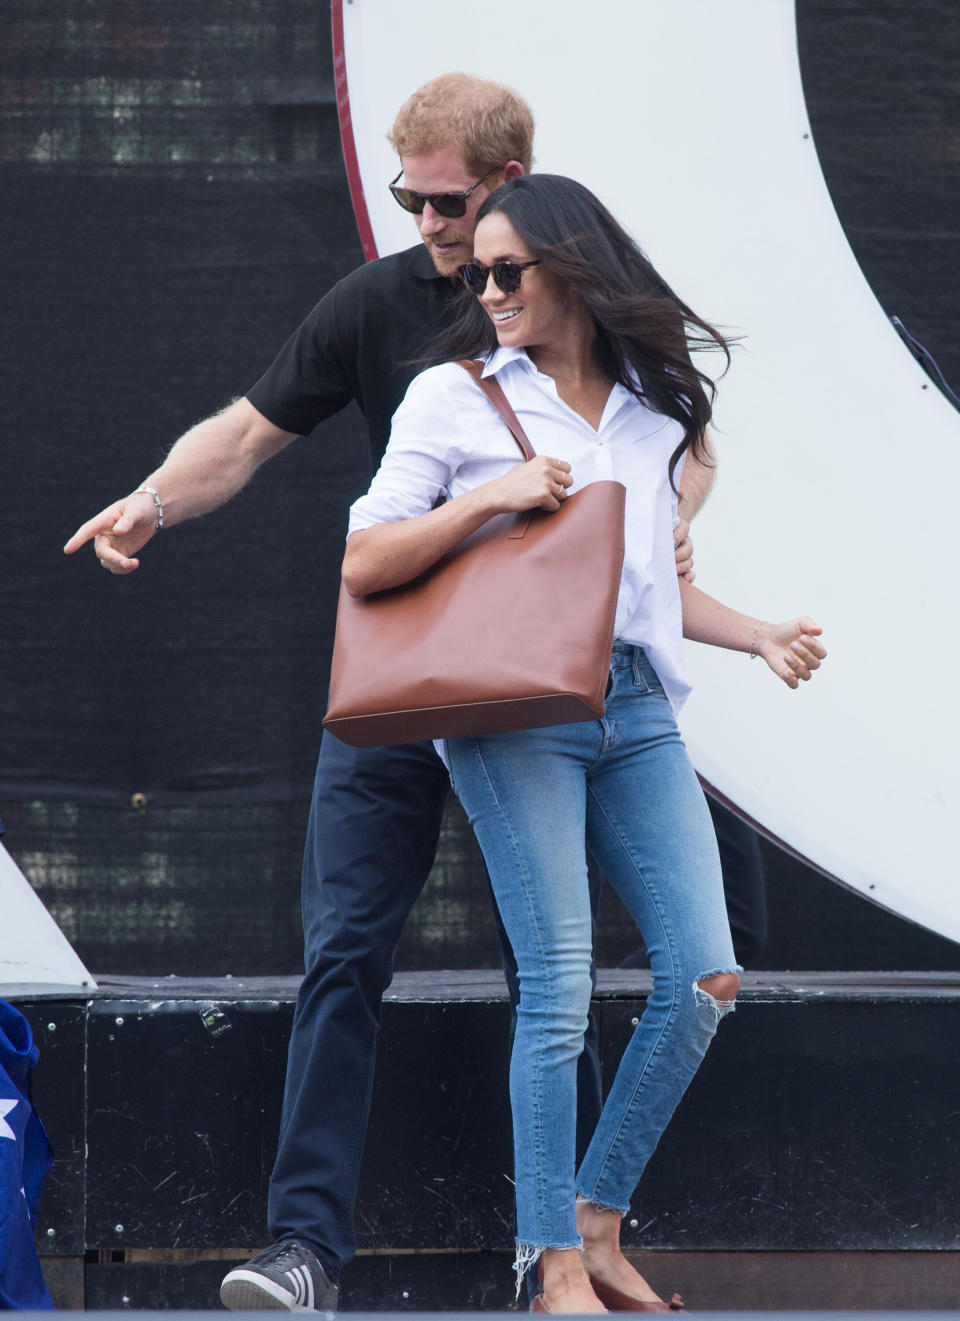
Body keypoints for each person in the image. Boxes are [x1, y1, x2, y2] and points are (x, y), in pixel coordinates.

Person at [62, 75, 713, 1311]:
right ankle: (306, 1247)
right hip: (416, 674)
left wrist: (670, 531)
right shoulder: (380, 305)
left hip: (547, 688)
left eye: (447, 200)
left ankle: (554, 1256)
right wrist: (151, 496)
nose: (424, 220)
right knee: (346, 949)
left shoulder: (578, 295)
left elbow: (680, 433)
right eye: (410, 195)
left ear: (514, 188)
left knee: (561, 967)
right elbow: (251, 433)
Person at [342, 173, 827, 1314]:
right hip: (515, 720)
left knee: (705, 974)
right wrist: (492, 498)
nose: (490, 289)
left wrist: (755, 632)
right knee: (558, 988)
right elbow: (365, 561)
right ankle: (547, 1259)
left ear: (574, 270)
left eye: (512, 270)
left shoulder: (652, 412)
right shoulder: (453, 401)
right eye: (480, 272)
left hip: (638, 705)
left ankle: (598, 1219)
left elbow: (638, 592)